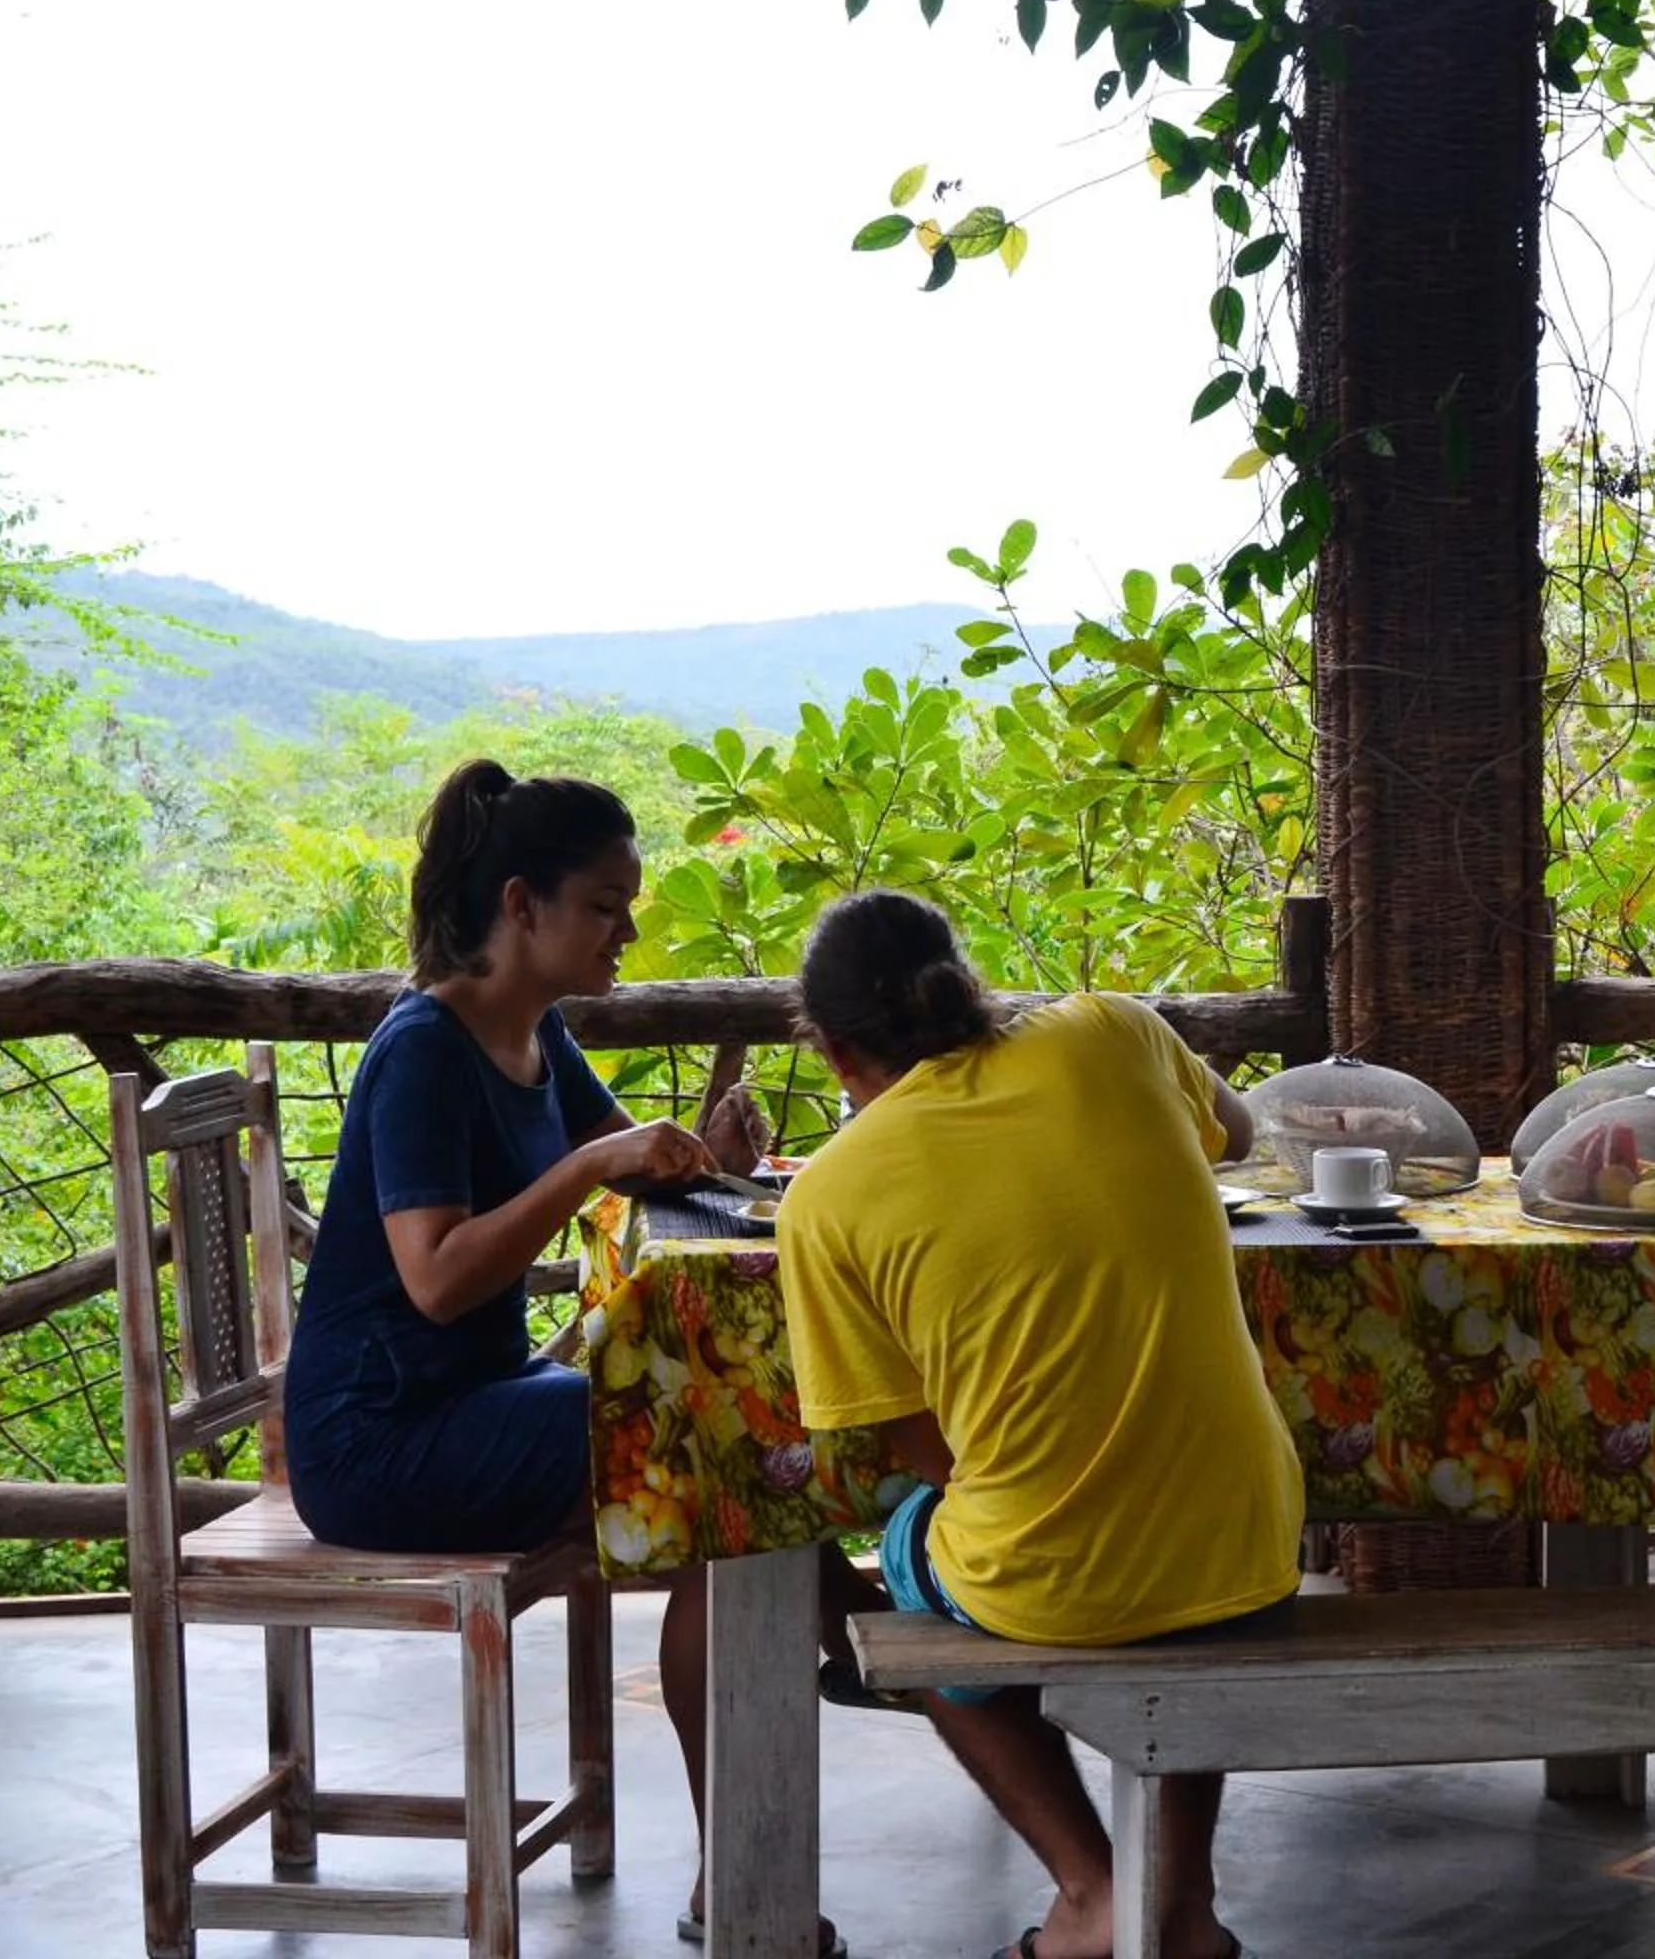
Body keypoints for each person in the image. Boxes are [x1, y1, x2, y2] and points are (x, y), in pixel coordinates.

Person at [282, 757, 866, 1957]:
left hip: (479, 1398)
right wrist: (589, 1166)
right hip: (378, 1439)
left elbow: (637, 1166)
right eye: (606, 905)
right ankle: (828, 1685)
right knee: (731, 1464)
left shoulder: (536, 1031)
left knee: (732, 1440)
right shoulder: (423, 1049)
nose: (627, 932)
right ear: (521, 904)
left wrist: (703, 1152)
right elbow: (437, 1277)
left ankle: (829, 1674)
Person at [777, 889, 1301, 1959]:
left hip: (1054, 1583)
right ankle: (1182, 1908)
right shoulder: (1112, 1028)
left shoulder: (824, 1199)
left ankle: (1093, 1889)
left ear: (832, 1051)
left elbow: (932, 1457)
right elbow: (1239, 1133)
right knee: (1184, 1539)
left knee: (911, 1548)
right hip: (1253, 1541)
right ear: (966, 980)